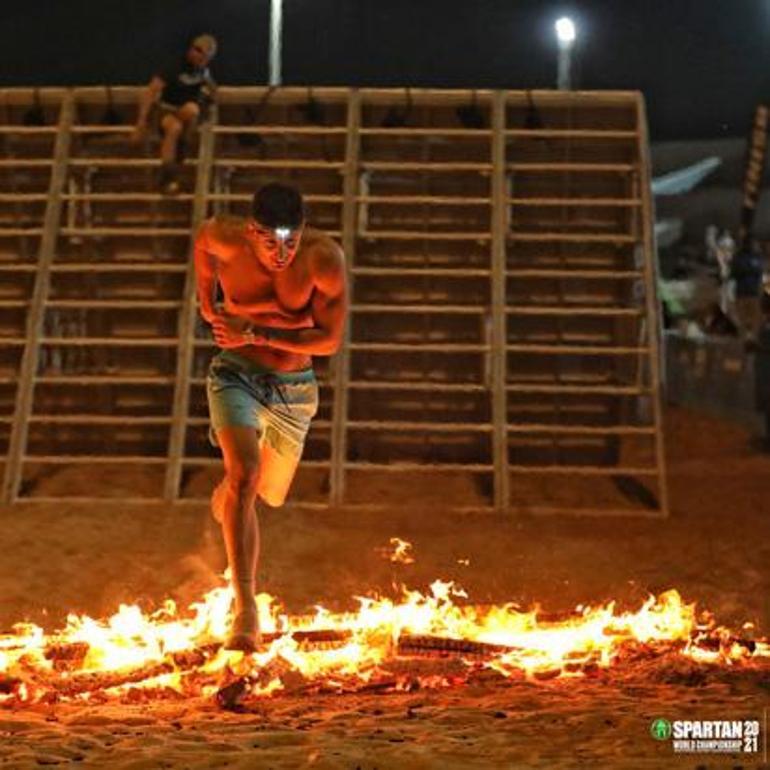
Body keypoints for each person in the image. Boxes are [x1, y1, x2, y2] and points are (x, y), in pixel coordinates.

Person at [194, 182, 347, 651]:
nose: (281, 252)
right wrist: (208, 306)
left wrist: (256, 332)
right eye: (269, 241)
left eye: (291, 240)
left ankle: (232, 491)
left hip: (293, 389)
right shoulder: (223, 237)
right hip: (236, 375)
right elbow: (201, 247)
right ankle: (246, 609)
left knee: (268, 492)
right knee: (245, 475)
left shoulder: (323, 260)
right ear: (251, 230)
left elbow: (328, 341)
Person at [132, 34, 218, 194]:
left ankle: (173, 165)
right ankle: (168, 175)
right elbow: (151, 91)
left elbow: (212, 88)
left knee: (190, 112)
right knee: (174, 128)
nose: (201, 59)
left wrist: (209, 96)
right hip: (166, 110)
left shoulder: (203, 71)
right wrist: (141, 121)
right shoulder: (174, 66)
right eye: (199, 52)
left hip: (186, 113)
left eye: (206, 57)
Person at [731, 239, 765, 340]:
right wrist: (749, 269)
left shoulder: (757, 257)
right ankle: (743, 341)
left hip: (753, 293)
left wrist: (746, 270)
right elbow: (734, 273)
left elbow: (759, 271)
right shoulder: (738, 257)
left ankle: (753, 340)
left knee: (754, 320)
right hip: (742, 293)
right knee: (742, 319)